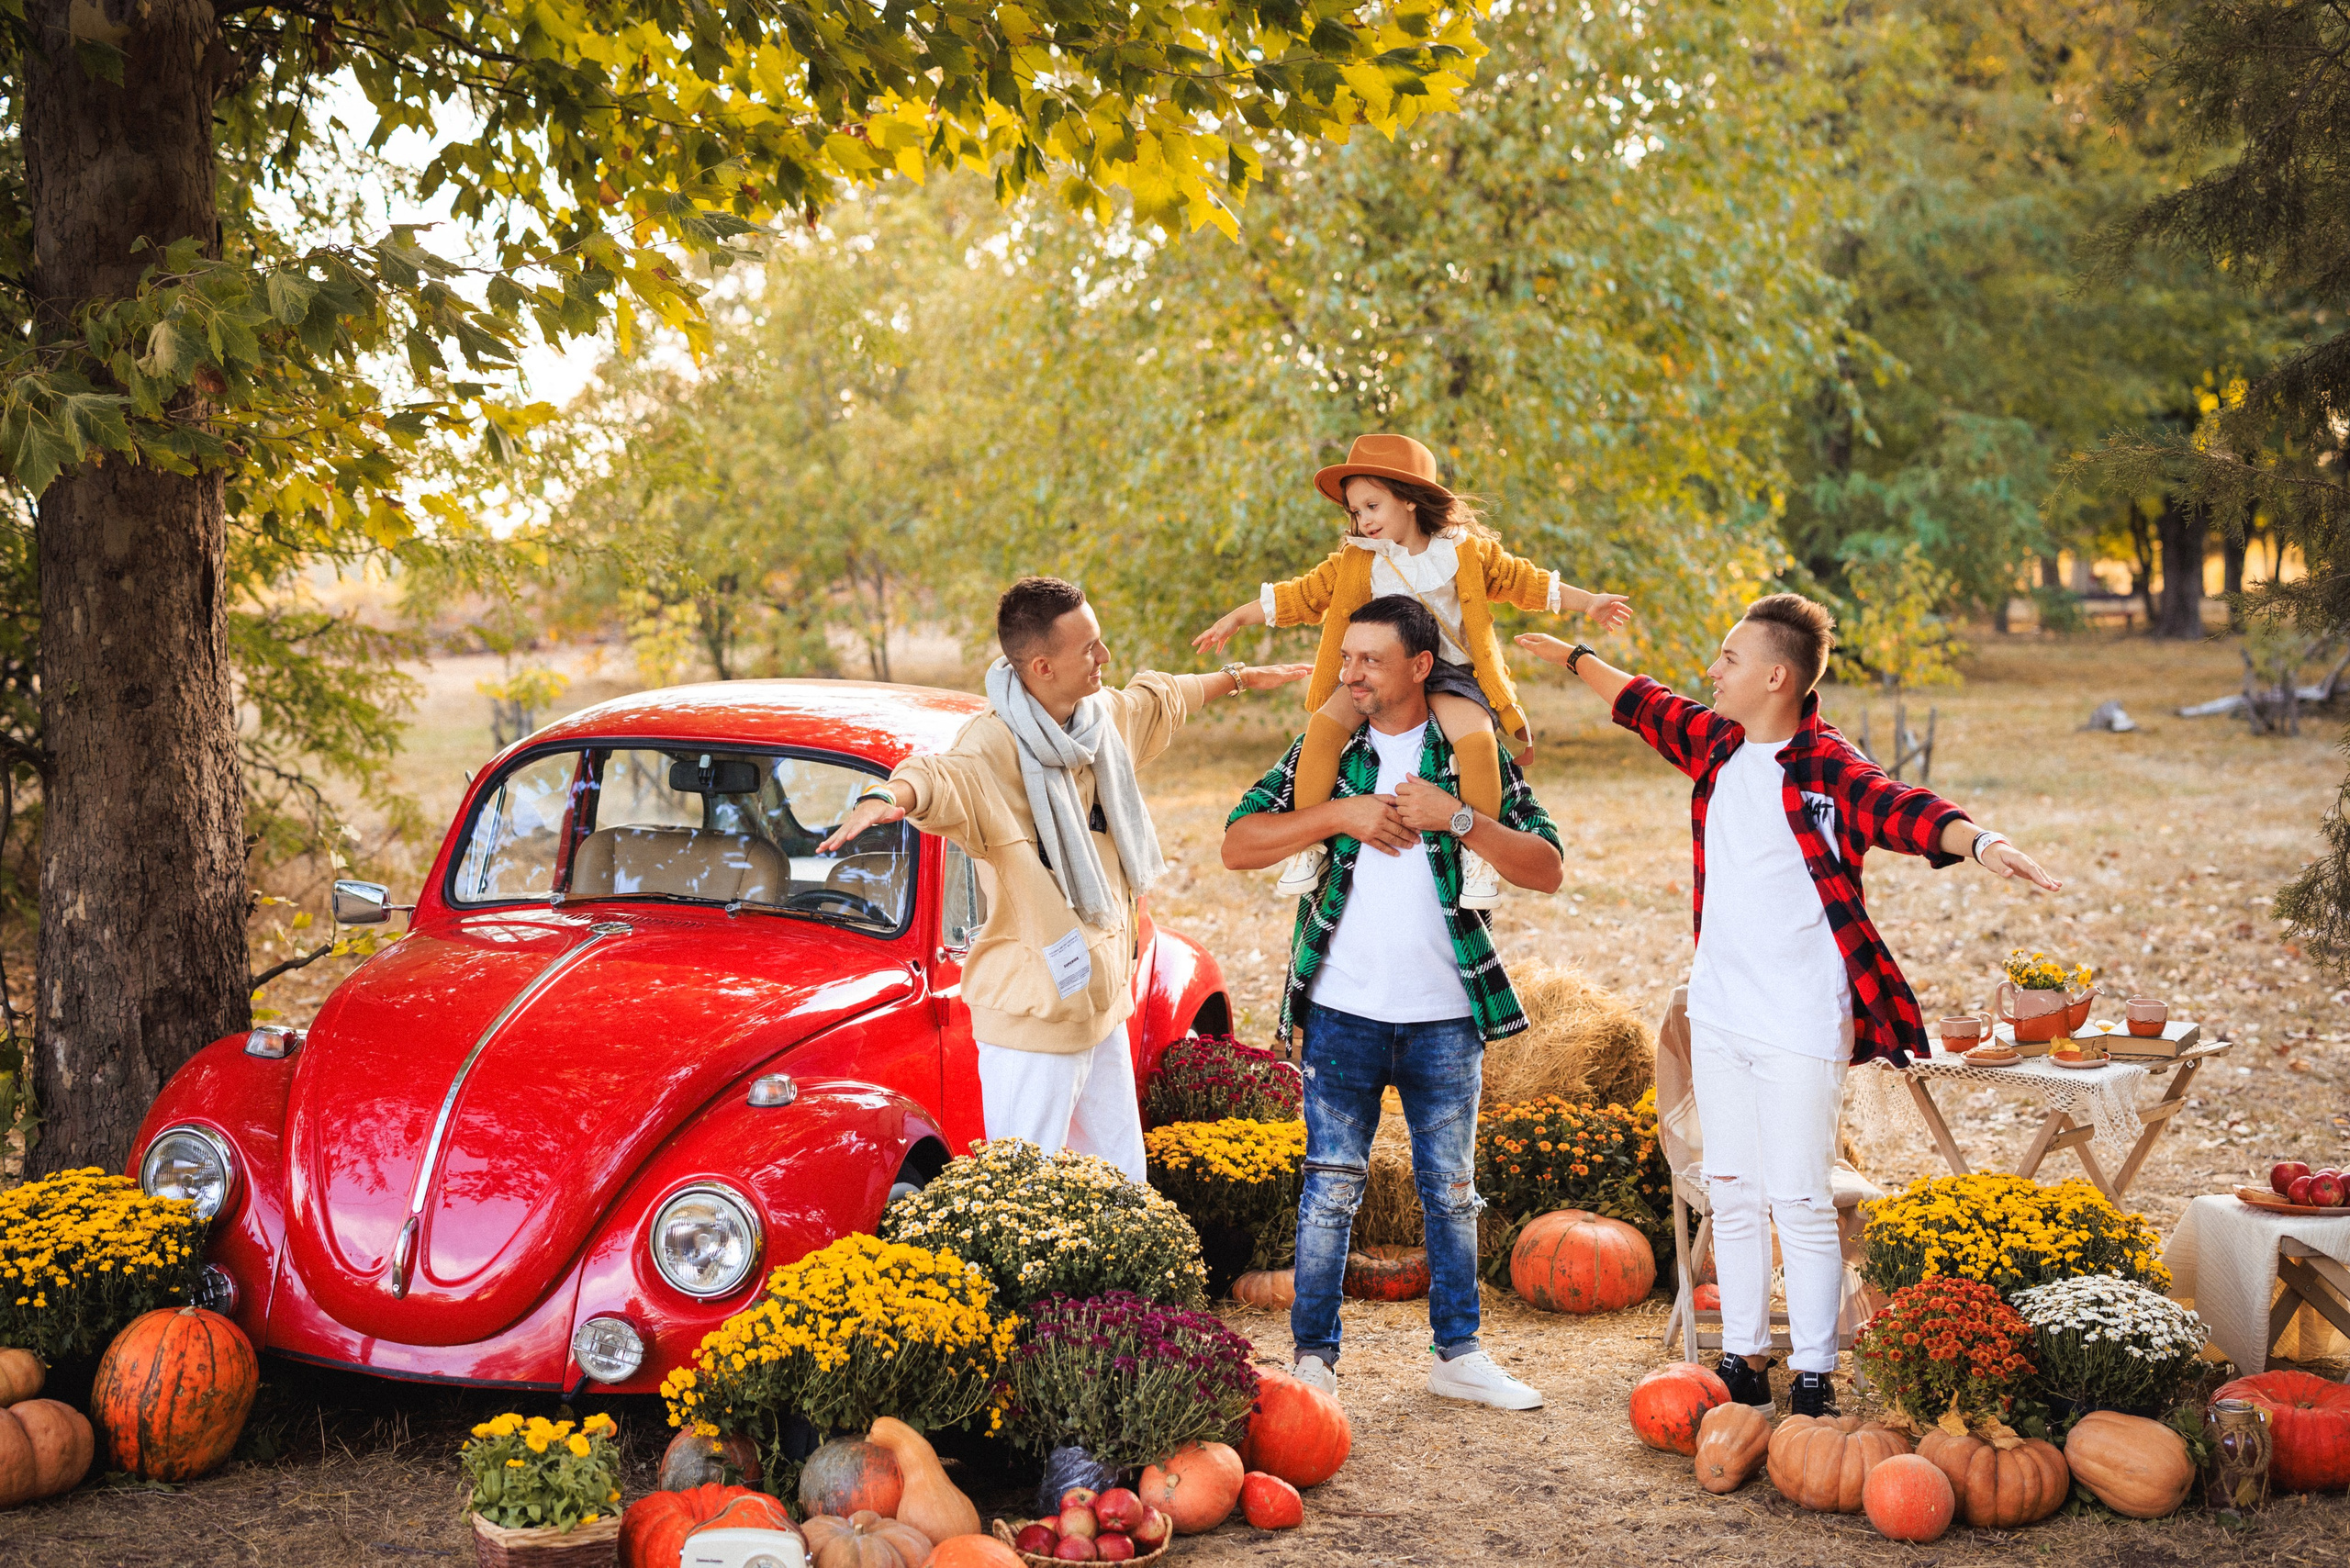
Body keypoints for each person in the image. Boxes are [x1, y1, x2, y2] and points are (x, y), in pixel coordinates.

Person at [1517, 597, 2063, 1417]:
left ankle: (1812, 1374)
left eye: (1728, 659)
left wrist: (1980, 843)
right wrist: (1573, 657)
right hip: (1722, 1011)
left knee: (1801, 1198)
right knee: (1734, 1191)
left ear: (1776, 676)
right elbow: (1646, 704)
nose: (1713, 671)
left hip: (1803, 1015)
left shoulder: (1827, 770)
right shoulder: (1719, 744)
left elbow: (1902, 807)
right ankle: (1741, 1360)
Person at [821, 577, 1309, 1182]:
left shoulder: (1096, 720)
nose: (1105, 658)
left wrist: (1238, 679)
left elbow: (1160, 698)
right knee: (1025, 1190)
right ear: (1044, 666)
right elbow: (939, 778)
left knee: (1122, 1179)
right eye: (1091, 649)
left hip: (1101, 997)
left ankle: (1128, 1277)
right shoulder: (991, 748)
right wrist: (884, 794)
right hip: (1035, 1012)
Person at [1222, 595, 1565, 1411]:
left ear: (1419, 665)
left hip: (1446, 1017)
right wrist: (1338, 814)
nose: (1351, 676)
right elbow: (1238, 842)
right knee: (1330, 1188)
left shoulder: (1466, 757)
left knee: (1450, 1190)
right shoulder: (1330, 755)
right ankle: (1314, 1359)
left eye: (1370, 660)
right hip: (1340, 1013)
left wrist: (1460, 819)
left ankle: (1459, 1353)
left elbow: (1546, 864)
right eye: (1347, 660)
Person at [1193, 433, 1630, 911]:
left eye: (1372, 506)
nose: (1364, 520)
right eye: (1356, 512)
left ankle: (1476, 858)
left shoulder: (1463, 552)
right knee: (1321, 730)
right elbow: (1303, 595)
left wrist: (1589, 602)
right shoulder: (1358, 560)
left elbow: (1523, 581)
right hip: (1382, 669)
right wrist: (1240, 615)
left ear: (1408, 497)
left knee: (1477, 742)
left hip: (1453, 672)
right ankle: (1308, 844)